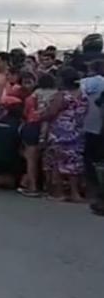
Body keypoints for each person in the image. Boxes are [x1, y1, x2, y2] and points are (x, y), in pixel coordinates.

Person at [43, 67, 88, 203]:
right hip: (77, 132)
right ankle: (75, 193)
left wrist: (40, 115)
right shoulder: (82, 94)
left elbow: (51, 112)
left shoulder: (62, 96)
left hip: (60, 132)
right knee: (73, 163)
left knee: (57, 161)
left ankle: (59, 193)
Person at [80, 60, 104, 192]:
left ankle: (91, 184)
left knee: (88, 157)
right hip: (98, 125)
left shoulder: (91, 81)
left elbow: (79, 91)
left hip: (89, 124)